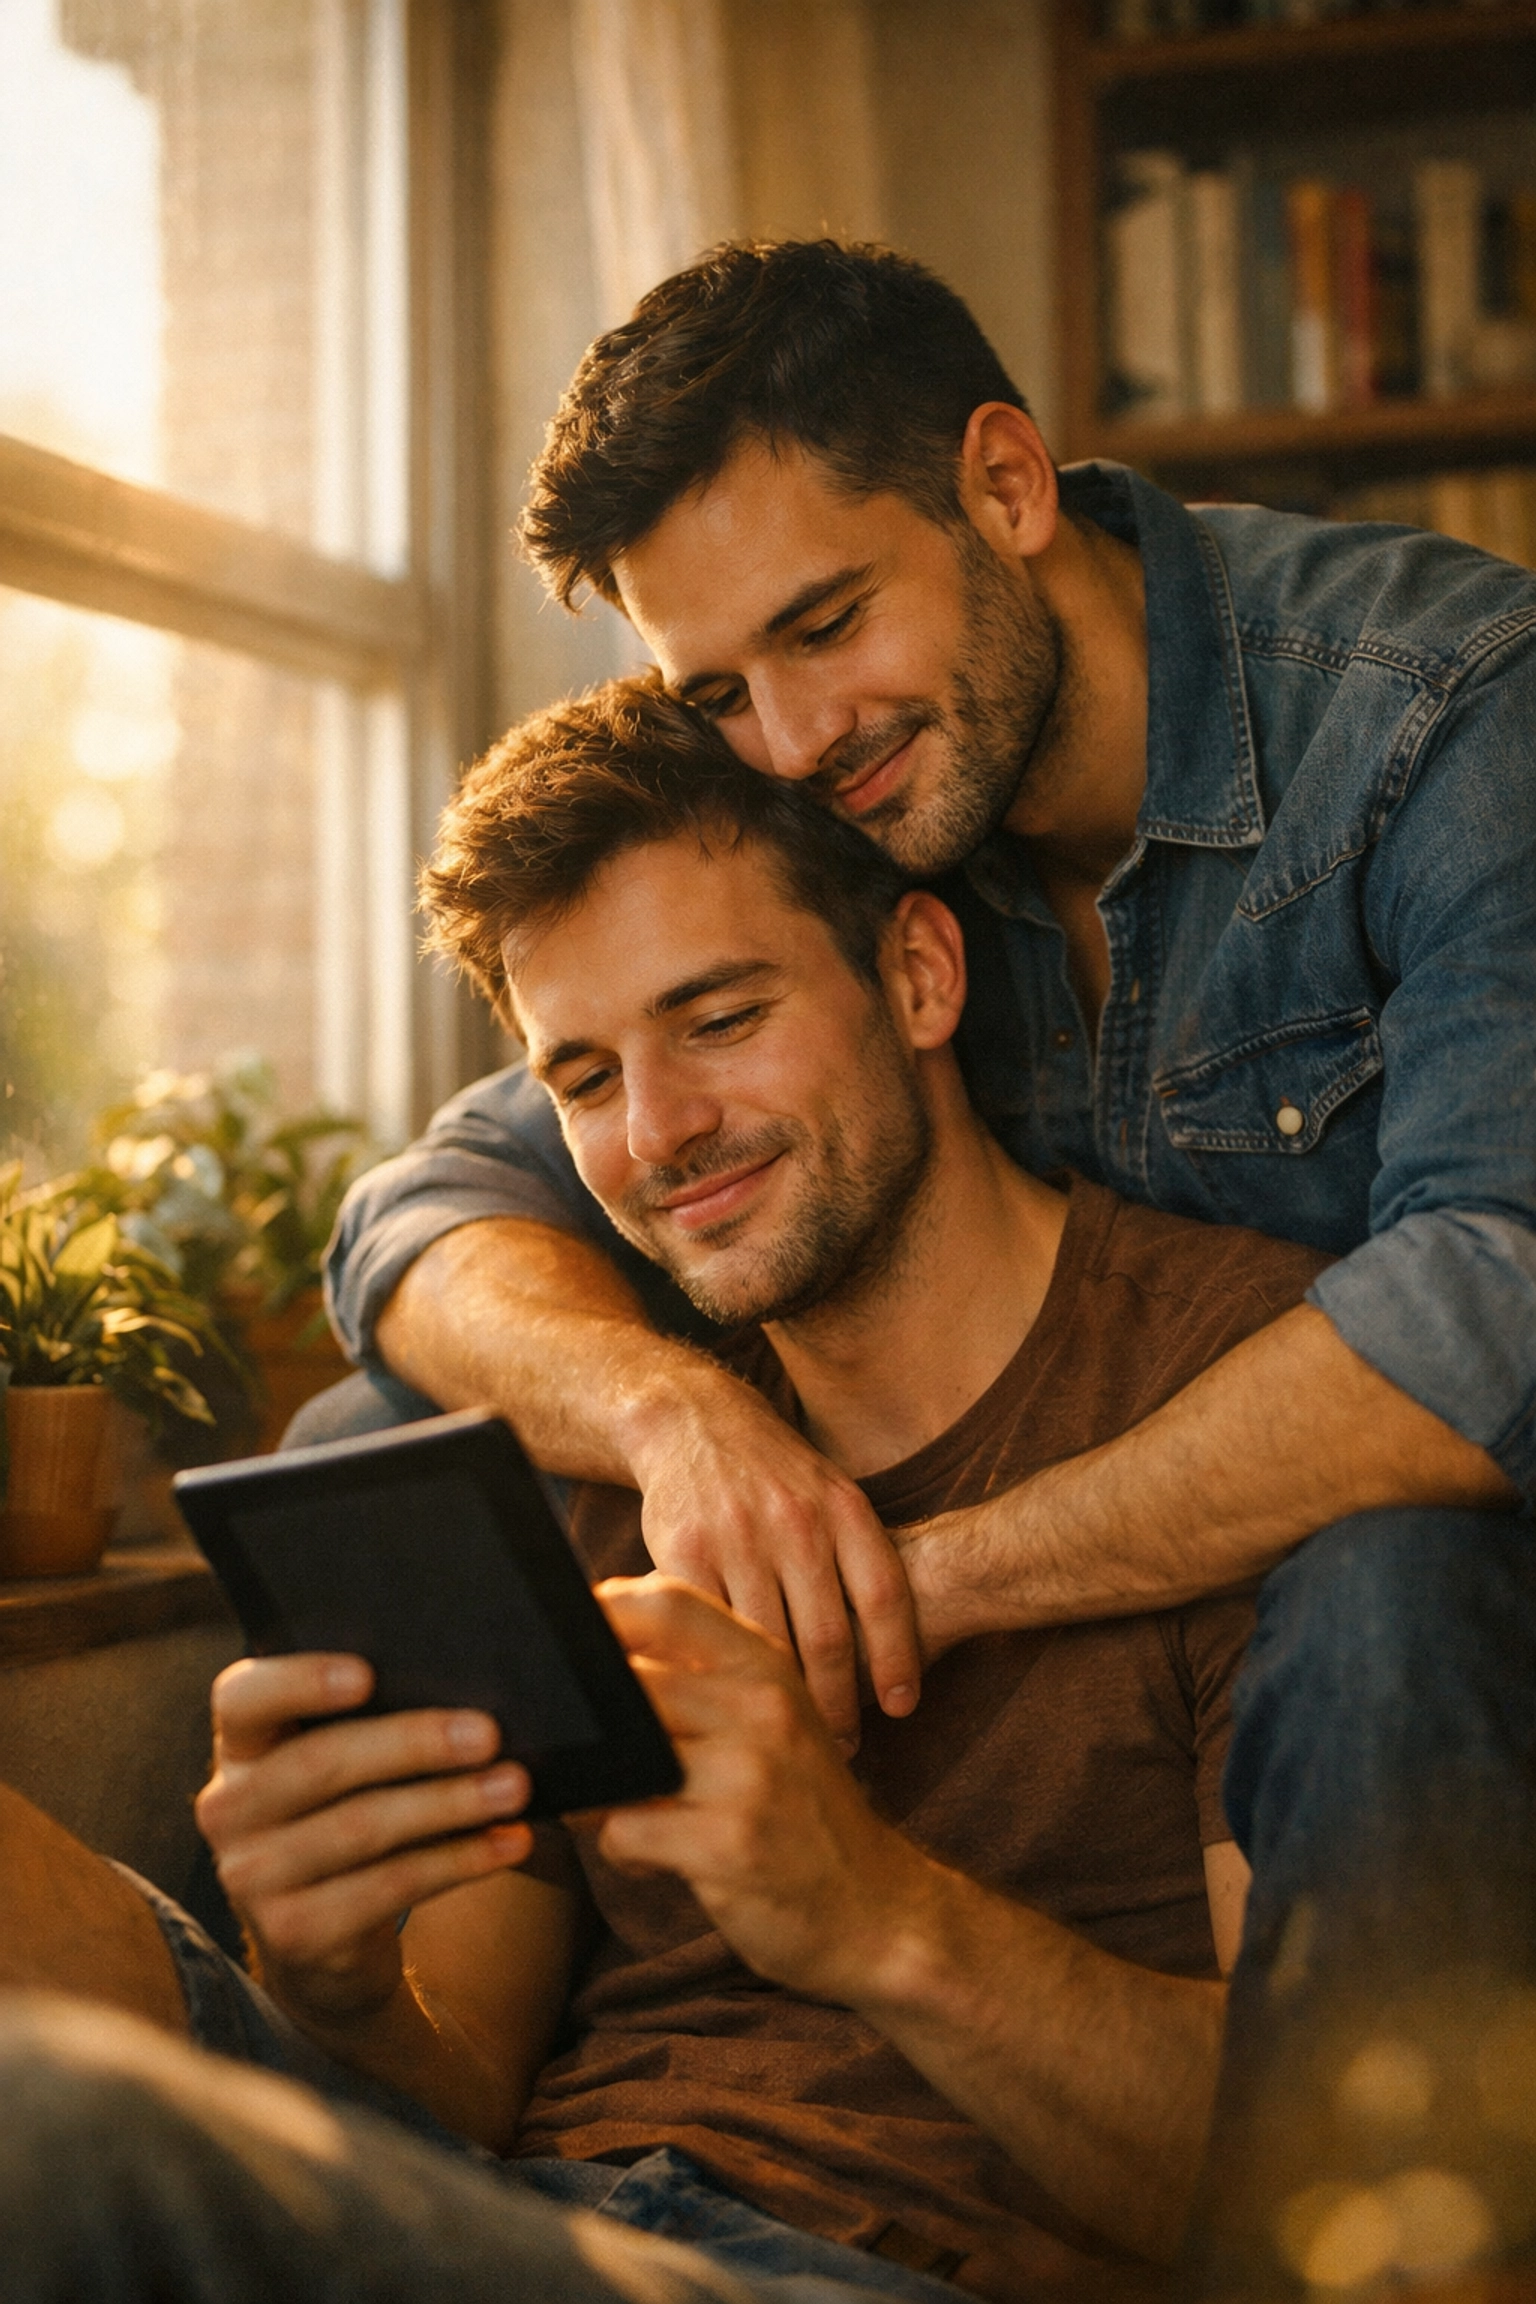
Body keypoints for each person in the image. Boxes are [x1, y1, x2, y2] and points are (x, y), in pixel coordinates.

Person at [317, 241, 1536, 2289]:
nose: (784, 743)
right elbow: (428, 1214)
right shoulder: (872, 800)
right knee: (386, 1420)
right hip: (630, 2166)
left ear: (1003, 484)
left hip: (1440, 1592)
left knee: (1384, 1580)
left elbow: (1498, 1309)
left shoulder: (1445, 720)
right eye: (717, 690)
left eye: (821, 625)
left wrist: (905, 1574)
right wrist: (680, 1415)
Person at [0, 685, 1350, 2302]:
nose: (659, 1137)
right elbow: (460, 2093)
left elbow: (1307, 2180)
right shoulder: (618, 1431)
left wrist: (867, 1912)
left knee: (50, 2131)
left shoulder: (1256, 1397)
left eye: (719, 1020)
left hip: (861, 2267)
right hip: (526, 2221)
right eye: (581, 1077)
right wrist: (333, 1982)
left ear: (919, 975)